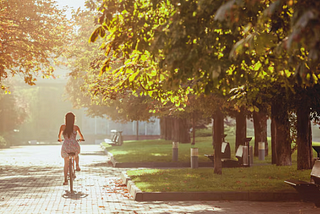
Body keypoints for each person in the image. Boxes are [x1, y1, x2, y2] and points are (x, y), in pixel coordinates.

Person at [58, 112, 84, 185]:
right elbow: (81, 136)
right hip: (74, 146)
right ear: (73, 119)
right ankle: (77, 165)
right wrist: (81, 139)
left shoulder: (62, 127)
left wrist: (60, 139)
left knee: (66, 163)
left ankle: (65, 180)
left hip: (66, 146)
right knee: (76, 154)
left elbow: (59, 136)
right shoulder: (76, 127)